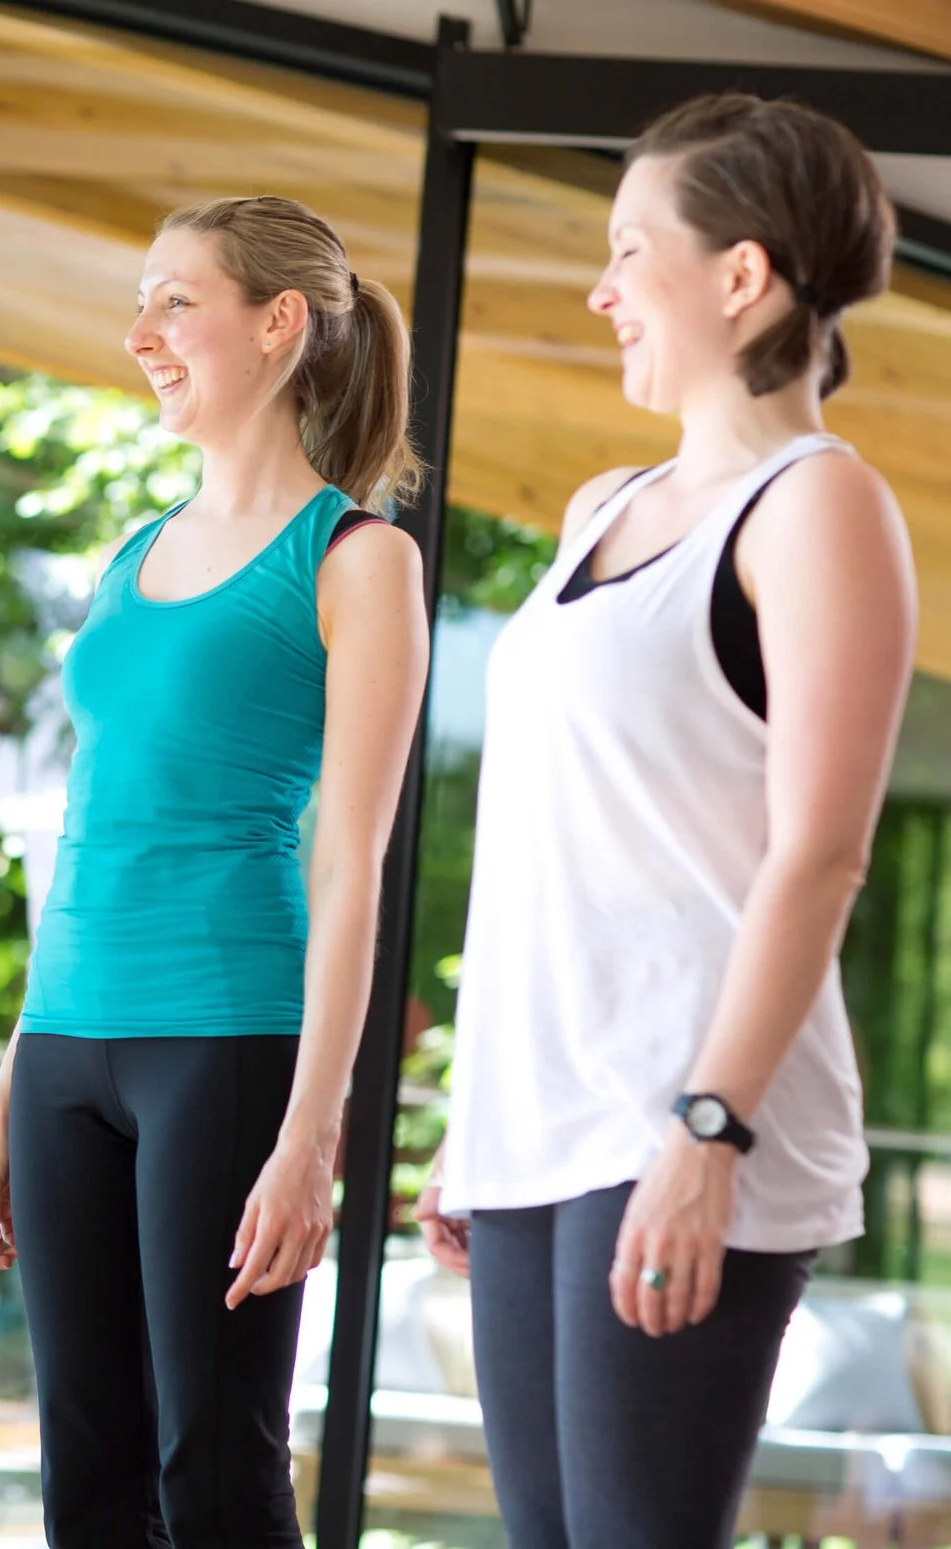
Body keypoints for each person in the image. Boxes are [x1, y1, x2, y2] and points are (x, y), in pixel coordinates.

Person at [415, 93, 909, 1549]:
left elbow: (820, 852)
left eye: (634, 251)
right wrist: (476, 1120)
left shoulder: (818, 506)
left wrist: (711, 1128)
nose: (603, 289)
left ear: (740, 276)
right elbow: (564, 848)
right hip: (537, 1127)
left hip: (690, 1117)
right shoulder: (598, 509)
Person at [0, 196, 429, 1547]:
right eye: (142, 301)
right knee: (84, 1487)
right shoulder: (129, 555)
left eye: (175, 302)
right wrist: (5, 1097)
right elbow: (92, 836)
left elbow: (352, 867)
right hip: (66, 1057)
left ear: (279, 324)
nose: (140, 333)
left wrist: (312, 1137)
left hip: (225, 1041)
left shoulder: (357, 560)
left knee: (213, 1476)